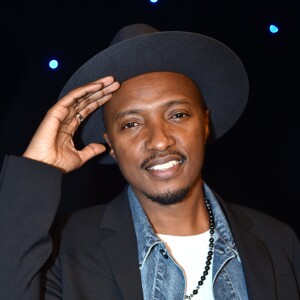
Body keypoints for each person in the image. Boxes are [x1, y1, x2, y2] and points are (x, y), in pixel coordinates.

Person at [0, 23, 299, 300]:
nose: (159, 140)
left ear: (205, 125)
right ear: (111, 146)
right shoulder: (65, 248)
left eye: (178, 115)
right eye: (131, 124)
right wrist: (37, 168)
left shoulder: (277, 241)